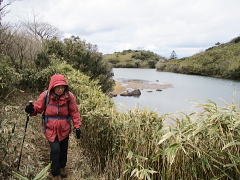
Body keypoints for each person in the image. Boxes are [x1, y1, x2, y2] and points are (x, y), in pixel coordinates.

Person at [25, 74, 82, 180]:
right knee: (55, 150)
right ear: (52, 87)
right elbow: (38, 108)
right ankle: (55, 173)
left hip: (64, 129)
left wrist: (77, 126)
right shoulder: (45, 96)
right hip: (50, 129)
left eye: (62, 87)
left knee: (64, 150)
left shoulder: (69, 97)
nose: (60, 89)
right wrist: (31, 110)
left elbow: (74, 112)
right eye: (58, 87)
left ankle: (62, 167)